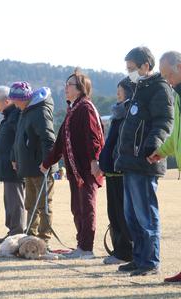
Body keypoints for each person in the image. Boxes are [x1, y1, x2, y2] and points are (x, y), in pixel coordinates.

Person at [114, 47, 174, 276]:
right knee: (132, 215)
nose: (129, 73)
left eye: (132, 69)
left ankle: (150, 260)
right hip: (130, 162)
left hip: (146, 160)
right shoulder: (139, 88)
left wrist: (152, 144)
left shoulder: (159, 88)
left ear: (145, 67)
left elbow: (165, 121)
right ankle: (138, 258)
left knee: (145, 214)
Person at [41, 69, 105, 259]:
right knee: (77, 208)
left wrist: (95, 161)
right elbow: (61, 141)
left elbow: (93, 136)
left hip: (86, 169)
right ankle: (81, 245)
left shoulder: (85, 108)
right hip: (74, 170)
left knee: (87, 208)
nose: (65, 88)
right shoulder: (72, 110)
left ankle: (87, 249)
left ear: (80, 89)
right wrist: (47, 162)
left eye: (69, 85)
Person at [10, 82, 56, 247]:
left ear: (24, 98)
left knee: (44, 205)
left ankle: (44, 239)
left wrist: (46, 163)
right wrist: (14, 156)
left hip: (41, 168)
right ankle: (30, 236)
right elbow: (19, 138)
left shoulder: (40, 112)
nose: (14, 104)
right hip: (29, 166)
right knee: (30, 204)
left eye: (16, 100)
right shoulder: (24, 111)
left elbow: (48, 140)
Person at [148, 51, 181, 282]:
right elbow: (176, 133)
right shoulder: (177, 94)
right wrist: (162, 151)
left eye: (169, 75)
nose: (167, 80)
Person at [98, 78, 134, 265]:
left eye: (120, 90)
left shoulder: (129, 112)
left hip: (121, 170)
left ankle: (125, 252)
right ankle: (118, 250)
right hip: (111, 170)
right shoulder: (117, 113)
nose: (117, 93)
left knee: (122, 214)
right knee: (114, 214)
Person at [0, 85, 27, 243]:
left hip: (14, 167)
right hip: (7, 166)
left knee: (15, 200)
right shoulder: (9, 115)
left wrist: (14, 158)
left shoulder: (16, 115)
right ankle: (12, 230)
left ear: (6, 101)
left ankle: (16, 231)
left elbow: (18, 140)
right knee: (9, 200)